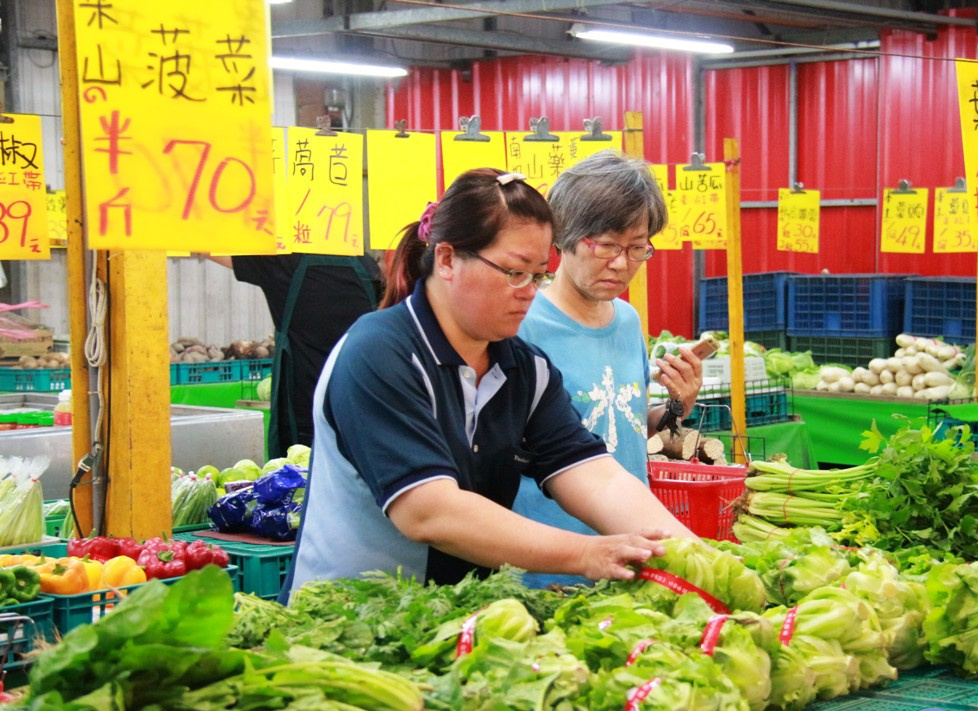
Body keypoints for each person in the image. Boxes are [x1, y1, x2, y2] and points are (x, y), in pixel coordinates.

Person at [284, 167, 696, 595]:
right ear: (447, 260)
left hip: (457, 621)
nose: (530, 292)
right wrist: (587, 554)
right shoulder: (378, 353)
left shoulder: (525, 370)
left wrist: (695, 557)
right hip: (346, 625)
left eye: (537, 275)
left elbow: (596, 477)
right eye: (514, 273)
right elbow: (428, 511)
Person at [511, 150, 704, 588]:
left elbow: (628, 431)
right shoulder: (521, 325)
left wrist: (677, 406)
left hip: (630, 554)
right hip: (549, 565)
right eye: (606, 245)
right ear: (562, 238)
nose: (622, 263)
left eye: (637, 248)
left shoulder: (628, 320)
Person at [207, 251, 382, 459]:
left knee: (298, 484)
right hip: (357, 411)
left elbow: (210, 247)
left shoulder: (283, 263)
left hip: (300, 416)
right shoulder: (369, 266)